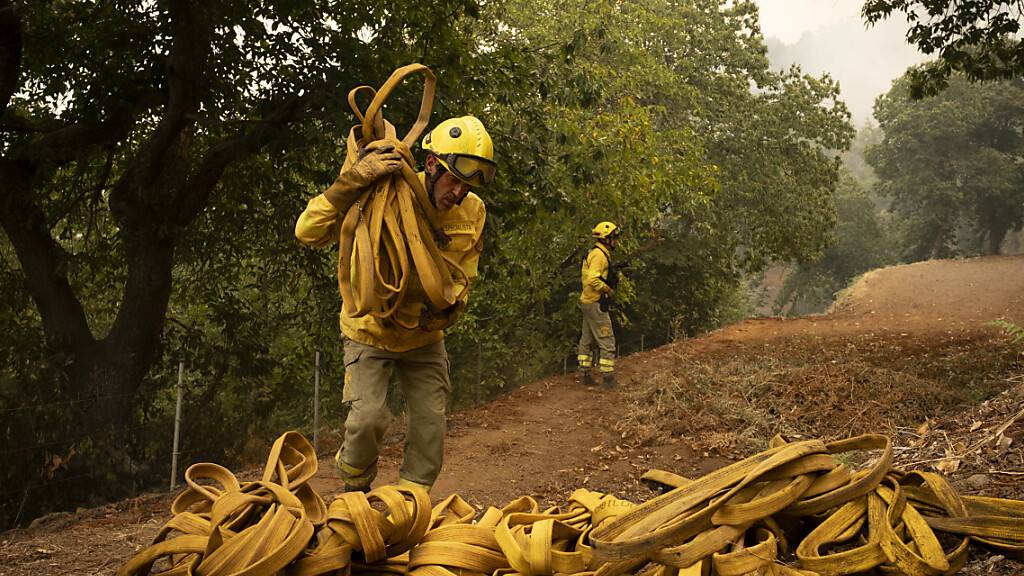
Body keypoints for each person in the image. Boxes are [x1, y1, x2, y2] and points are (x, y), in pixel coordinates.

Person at [295, 116, 495, 492]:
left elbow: (465, 273)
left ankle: (410, 505)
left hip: (424, 336)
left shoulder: (474, 212)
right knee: (368, 419)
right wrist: (351, 182)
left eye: (467, 187)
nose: (459, 194)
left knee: (430, 425)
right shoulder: (380, 191)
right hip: (370, 330)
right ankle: (355, 491)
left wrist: (450, 308)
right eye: (454, 180)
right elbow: (307, 232)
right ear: (432, 164)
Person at [577, 221, 620, 389]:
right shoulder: (599, 256)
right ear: (606, 239)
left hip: (587, 301)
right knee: (607, 339)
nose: (616, 241)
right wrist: (608, 289)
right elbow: (593, 279)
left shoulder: (596, 253)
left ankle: (585, 373)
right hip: (595, 303)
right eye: (614, 238)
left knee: (586, 339)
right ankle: (608, 379)